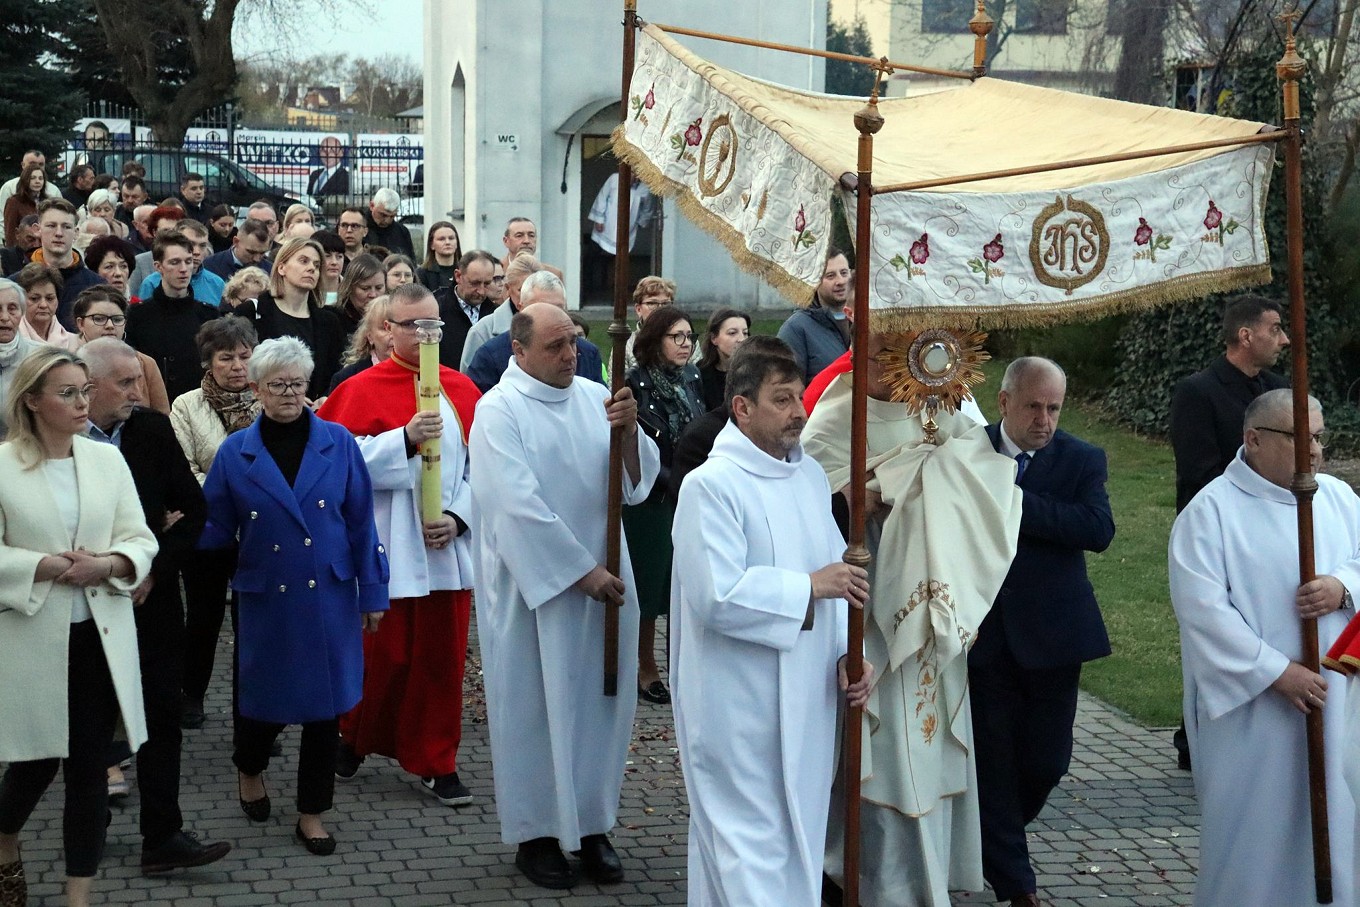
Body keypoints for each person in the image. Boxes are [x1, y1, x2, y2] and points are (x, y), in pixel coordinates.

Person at [803, 331, 1022, 907]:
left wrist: (926, 480)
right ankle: (870, 879)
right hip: (871, 603)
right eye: (878, 355)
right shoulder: (836, 417)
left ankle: (924, 882)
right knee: (884, 750)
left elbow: (988, 488)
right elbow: (813, 506)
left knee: (928, 747)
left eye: (897, 354)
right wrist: (878, 490)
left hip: (936, 611)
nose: (891, 367)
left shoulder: (944, 408)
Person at [670, 337, 873, 906]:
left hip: (808, 699)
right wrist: (808, 587)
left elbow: (840, 581)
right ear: (742, 407)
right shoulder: (710, 486)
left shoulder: (807, 478)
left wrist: (850, 653)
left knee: (796, 840)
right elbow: (716, 594)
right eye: (782, 400)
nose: (799, 411)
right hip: (738, 705)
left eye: (799, 397)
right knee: (744, 848)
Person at [469, 302, 661, 889]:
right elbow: (515, 506)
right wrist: (582, 573)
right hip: (536, 589)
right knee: (533, 709)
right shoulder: (497, 410)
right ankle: (537, 835)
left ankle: (593, 825)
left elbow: (633, 487)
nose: (570, 354)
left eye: (573, 342)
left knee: (599, 709)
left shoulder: (595, 398)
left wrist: (629, 434)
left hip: (605, 581)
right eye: (555, 346)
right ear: (519, 351)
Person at [199, 336, 389, 856]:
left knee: (325, 711)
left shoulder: (339, 443)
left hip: (328, 594)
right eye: (277, 385)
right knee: (264, 704)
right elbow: (215, 527)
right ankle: (249, 767)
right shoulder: (236, 453)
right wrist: (174, 534)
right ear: (256, 389)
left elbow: (361, 522)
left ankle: (312, 813)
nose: (288, 394)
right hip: (267, 597)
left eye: (297, 384)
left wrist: (373, 592)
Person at [1172, 388, 1357, 906]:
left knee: (1338, 822)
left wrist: (1342, 586)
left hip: (1336, 696)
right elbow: (1203, 611)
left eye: (1319, 436)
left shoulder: (1338, 498)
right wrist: (1276, 672)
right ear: (1253, 440)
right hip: (1254, 712)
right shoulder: (1211, 512)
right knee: (1254, 834)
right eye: (1300, 437)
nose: (1314, 450)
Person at [0, 348, 157, 907]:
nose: (81, 402)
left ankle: (78, 897)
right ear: (32, 401)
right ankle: (5, 837)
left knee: (90, 770)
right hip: (32, 639)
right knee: (35, 763)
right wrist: (43, 566)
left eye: (84, 390)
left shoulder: (106, 460)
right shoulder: (3, 466)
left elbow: (139, 537)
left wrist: (110, 564)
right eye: (66, 393)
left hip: (99, 637)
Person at [319, 282, 483, 807]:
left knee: (440, 662)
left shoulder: (463, 389)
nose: (427, 336)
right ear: (388, 330)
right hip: (387, 543)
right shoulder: (359, 388)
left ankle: (437, 760)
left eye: (434, 325)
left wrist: (459, 517)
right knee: (381, 658)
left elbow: (489, 469)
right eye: (415, 326)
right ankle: (353, 737)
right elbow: (335, 463)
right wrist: (403, 440)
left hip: (443, 549)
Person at [80, 338, 233, 875]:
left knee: (161, 717)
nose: (137, 393)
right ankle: (87, 827)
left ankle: (162, 836)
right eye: (125, 383)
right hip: (84, 605)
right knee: (90, 720)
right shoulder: (61, 436)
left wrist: (154, 569)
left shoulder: (150, 430)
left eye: (139, 381)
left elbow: (193, 511)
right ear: (89, 386)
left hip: (153, 602)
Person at [970, 356, 1115, 907]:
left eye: (1054, 408)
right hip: (984, 638)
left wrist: (1014, 502)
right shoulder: (967, 453)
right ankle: (1017, 882)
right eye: (1034, 406)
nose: (1045, 420)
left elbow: (1097, 529)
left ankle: (991, 840)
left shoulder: (1081, 458)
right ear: (1004, 401)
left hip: (1055, 638)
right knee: (993, 763)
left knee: (1046, 763)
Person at [1167, 295, 1290, 769]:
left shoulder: (1278, 390)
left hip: (1272, 534)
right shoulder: (1198, 392)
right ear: (1245, 335)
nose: (1283, 339)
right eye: (1275, 329)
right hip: (1216, 534)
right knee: (1216, 629)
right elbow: (1197, 473)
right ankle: (1197, 734)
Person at [170, 316, 260, 728]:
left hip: (259, 529)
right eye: (226, 358)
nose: (237, 366)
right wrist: (236, 491)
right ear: (209, 361)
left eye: (244, 355)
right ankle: (191, 694)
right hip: (208, 528)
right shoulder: (186, 405)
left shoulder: (269, 398)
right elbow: (185, 469)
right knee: (203, 618)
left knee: (252, 621)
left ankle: (253, 708)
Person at [622, 307, 705, 704]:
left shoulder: (692, 378)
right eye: (677, 337)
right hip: (651, 498)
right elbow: (636, 448)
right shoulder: (634, 384)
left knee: (683, 583)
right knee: (649, 586)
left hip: (690, 492)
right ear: (655, 341)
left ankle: (683, 665)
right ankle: (644, 665)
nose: (685, 344)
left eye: (689, 336)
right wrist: (672, 482)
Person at [464, 271, 605, 393]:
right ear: (521, 308)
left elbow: (600, 405)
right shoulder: (491, 356)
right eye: (541, 308)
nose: (552, 317)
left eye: (558, 309)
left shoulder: (587, 354)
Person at [124, 230, 220, 402]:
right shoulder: (137, 315)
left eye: (188, 261)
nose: (183, 269)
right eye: (174, 262)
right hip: (152, 402)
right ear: (158, 266)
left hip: (198, 402)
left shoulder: (208, 315)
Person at [246, 237, 345, 400]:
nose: (311, 268)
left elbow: (336, 373)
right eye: (303, 261)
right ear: (282, 268)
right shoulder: (253, 311)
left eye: (316, 265)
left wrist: (324, 399)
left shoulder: (329, 322)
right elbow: (244, 368)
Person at [72, 286, 170, 415]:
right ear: (81, 323)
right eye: (99, 319)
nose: (110, 326)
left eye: (117, 319)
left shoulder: (146, 364)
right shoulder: (67, 364)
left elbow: (162, 417)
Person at [15, 199, 105, 330]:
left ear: (76, 232)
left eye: (66, 227)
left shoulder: (97, 287)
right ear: (37, 229)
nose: (59, 233)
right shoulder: (15, 285)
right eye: (51, 226)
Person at [777, 248, 852, 385]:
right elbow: (787, 386)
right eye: (830, 276)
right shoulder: (796, 329)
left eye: (844, 273)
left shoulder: (870, 322)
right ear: (814, 281)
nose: (840, 281)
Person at [458, 251, 540, 371]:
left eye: (535, 290)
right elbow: (468, 379)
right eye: (522, 290)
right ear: (508, 288)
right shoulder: (482, 331)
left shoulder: (556, 325)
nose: (529, 297)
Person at [436, 250, 498, 369]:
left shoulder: (497, 316)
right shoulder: (437, 312)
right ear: (458, 276)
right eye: (475, 283)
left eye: (487, 284)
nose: (481, 291)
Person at [326, 294, 393, 394]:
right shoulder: (346, 378)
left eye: (397, 327)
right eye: (385, 328)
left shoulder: (417, 373)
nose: (392, 334)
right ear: (369, 336)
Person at [0, 278, 40, 439]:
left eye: (12, 309)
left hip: (25, 447)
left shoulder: (42, 358)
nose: (4, 317)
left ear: (22, 313)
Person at [15, 263, 78, 350]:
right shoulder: (10, 341)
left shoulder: (75, 343)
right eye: (34, 299)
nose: (43, 305)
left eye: (49, 298)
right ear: (21, 300)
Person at [697, 307, 749, 411]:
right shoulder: (700, 373)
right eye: (732, 333)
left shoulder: (756, 371)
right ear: (714, 338)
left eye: (745, 333)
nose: (741, 339)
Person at [623, 275, 676, 372]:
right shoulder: (626, 345)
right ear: (638, 309)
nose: (660, 308)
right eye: (652, 303)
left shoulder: (686, 340)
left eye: (665, 304)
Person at [333, 253, 385, 342]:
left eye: (379, 288)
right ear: (350, 287)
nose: (373, 295)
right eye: (365, 288)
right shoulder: (334, 319)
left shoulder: (392, 318)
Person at [202, 218, 271, 283]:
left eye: (262, 253)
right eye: (251, 252)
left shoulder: (271, 271)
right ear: (236, 242)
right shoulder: (210, 266)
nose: (257, 259)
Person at [4, 163, 48, 248]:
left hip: (43, 249)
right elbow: (10, 232)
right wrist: (12, 252)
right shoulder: (14, 202)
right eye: (33, 178)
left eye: (40, 178)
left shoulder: (47, 202)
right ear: (25, 179)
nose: (37, 181)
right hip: (23, 250)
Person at [82, 235, 137, 301]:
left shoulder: (138, 305)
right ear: (94, 272)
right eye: (109, 267)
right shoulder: (85, 305)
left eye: (123, 266)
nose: (118, 273)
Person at [364, 188, 413, 258]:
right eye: (383, 215)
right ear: (372, 206)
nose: (387, 220)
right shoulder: (358, 228)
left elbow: (410, 260)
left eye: (392, 216)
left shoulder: (402, 232)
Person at [417, 221, 462, 293]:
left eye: (451, 238)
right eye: (441, 239)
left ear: (457, 243)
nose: (447, 242)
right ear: (432, 245)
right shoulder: (421, 274)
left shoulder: (464, 271)